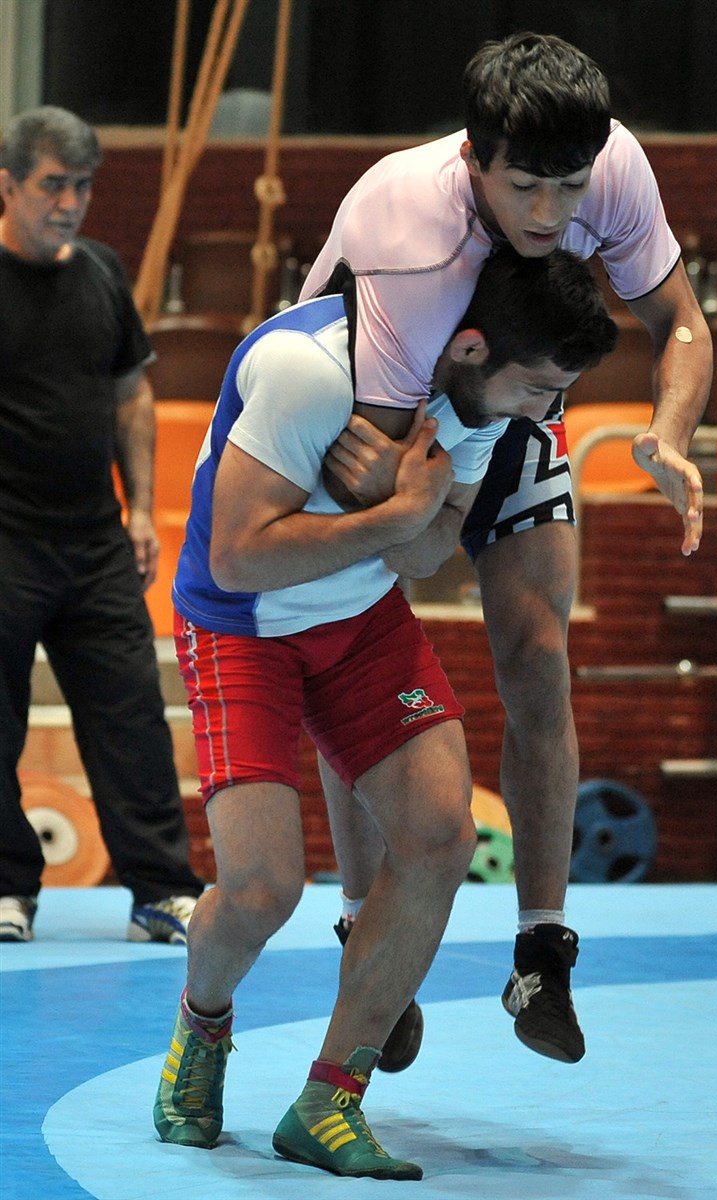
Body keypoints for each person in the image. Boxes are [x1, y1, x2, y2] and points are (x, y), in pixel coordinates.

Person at [152, 246, 617, 1180]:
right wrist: (396, 511)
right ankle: (202, 1025)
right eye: (537, 387)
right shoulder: (308, 369)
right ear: (472, 347)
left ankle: (329, 1099)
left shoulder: (480, 403)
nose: (544, 411)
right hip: (243, 626)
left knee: (441, 835)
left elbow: (425, 554)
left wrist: (396, 511)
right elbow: (238, 558)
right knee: (261, 891)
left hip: (361, 621)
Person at [301, 30, 712, 1067]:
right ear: (474, 157)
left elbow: (681, 321)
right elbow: (386, 473)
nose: (547, 214)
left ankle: (543, 950)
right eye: (524, 186)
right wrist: (424, 519)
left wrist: (668, 433)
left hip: (511, 397)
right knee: (354, 670)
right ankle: (364, 930)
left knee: (538, 658)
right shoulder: (407, 228)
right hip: (367, 422)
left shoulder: (611, 164)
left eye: (567, 188)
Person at [0, 106, 203, 945]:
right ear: (8, 185)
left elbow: (132, 395)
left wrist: (143, 508)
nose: (70, 203)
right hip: (5, 543)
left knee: (132, 719)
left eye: (82, 187)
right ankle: (6, 890)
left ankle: (161, 890)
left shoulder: (102, 272)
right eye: (53, 185)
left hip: (94, 541)